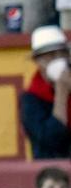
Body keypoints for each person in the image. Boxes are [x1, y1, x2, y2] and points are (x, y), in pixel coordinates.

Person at [19, 25, 71, 158]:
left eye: (62, 54)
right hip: (52, 170)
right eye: (51, 56)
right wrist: (61, 93)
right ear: (38, 61)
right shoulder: (31, 99)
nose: (59, 60)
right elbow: (50, 140)